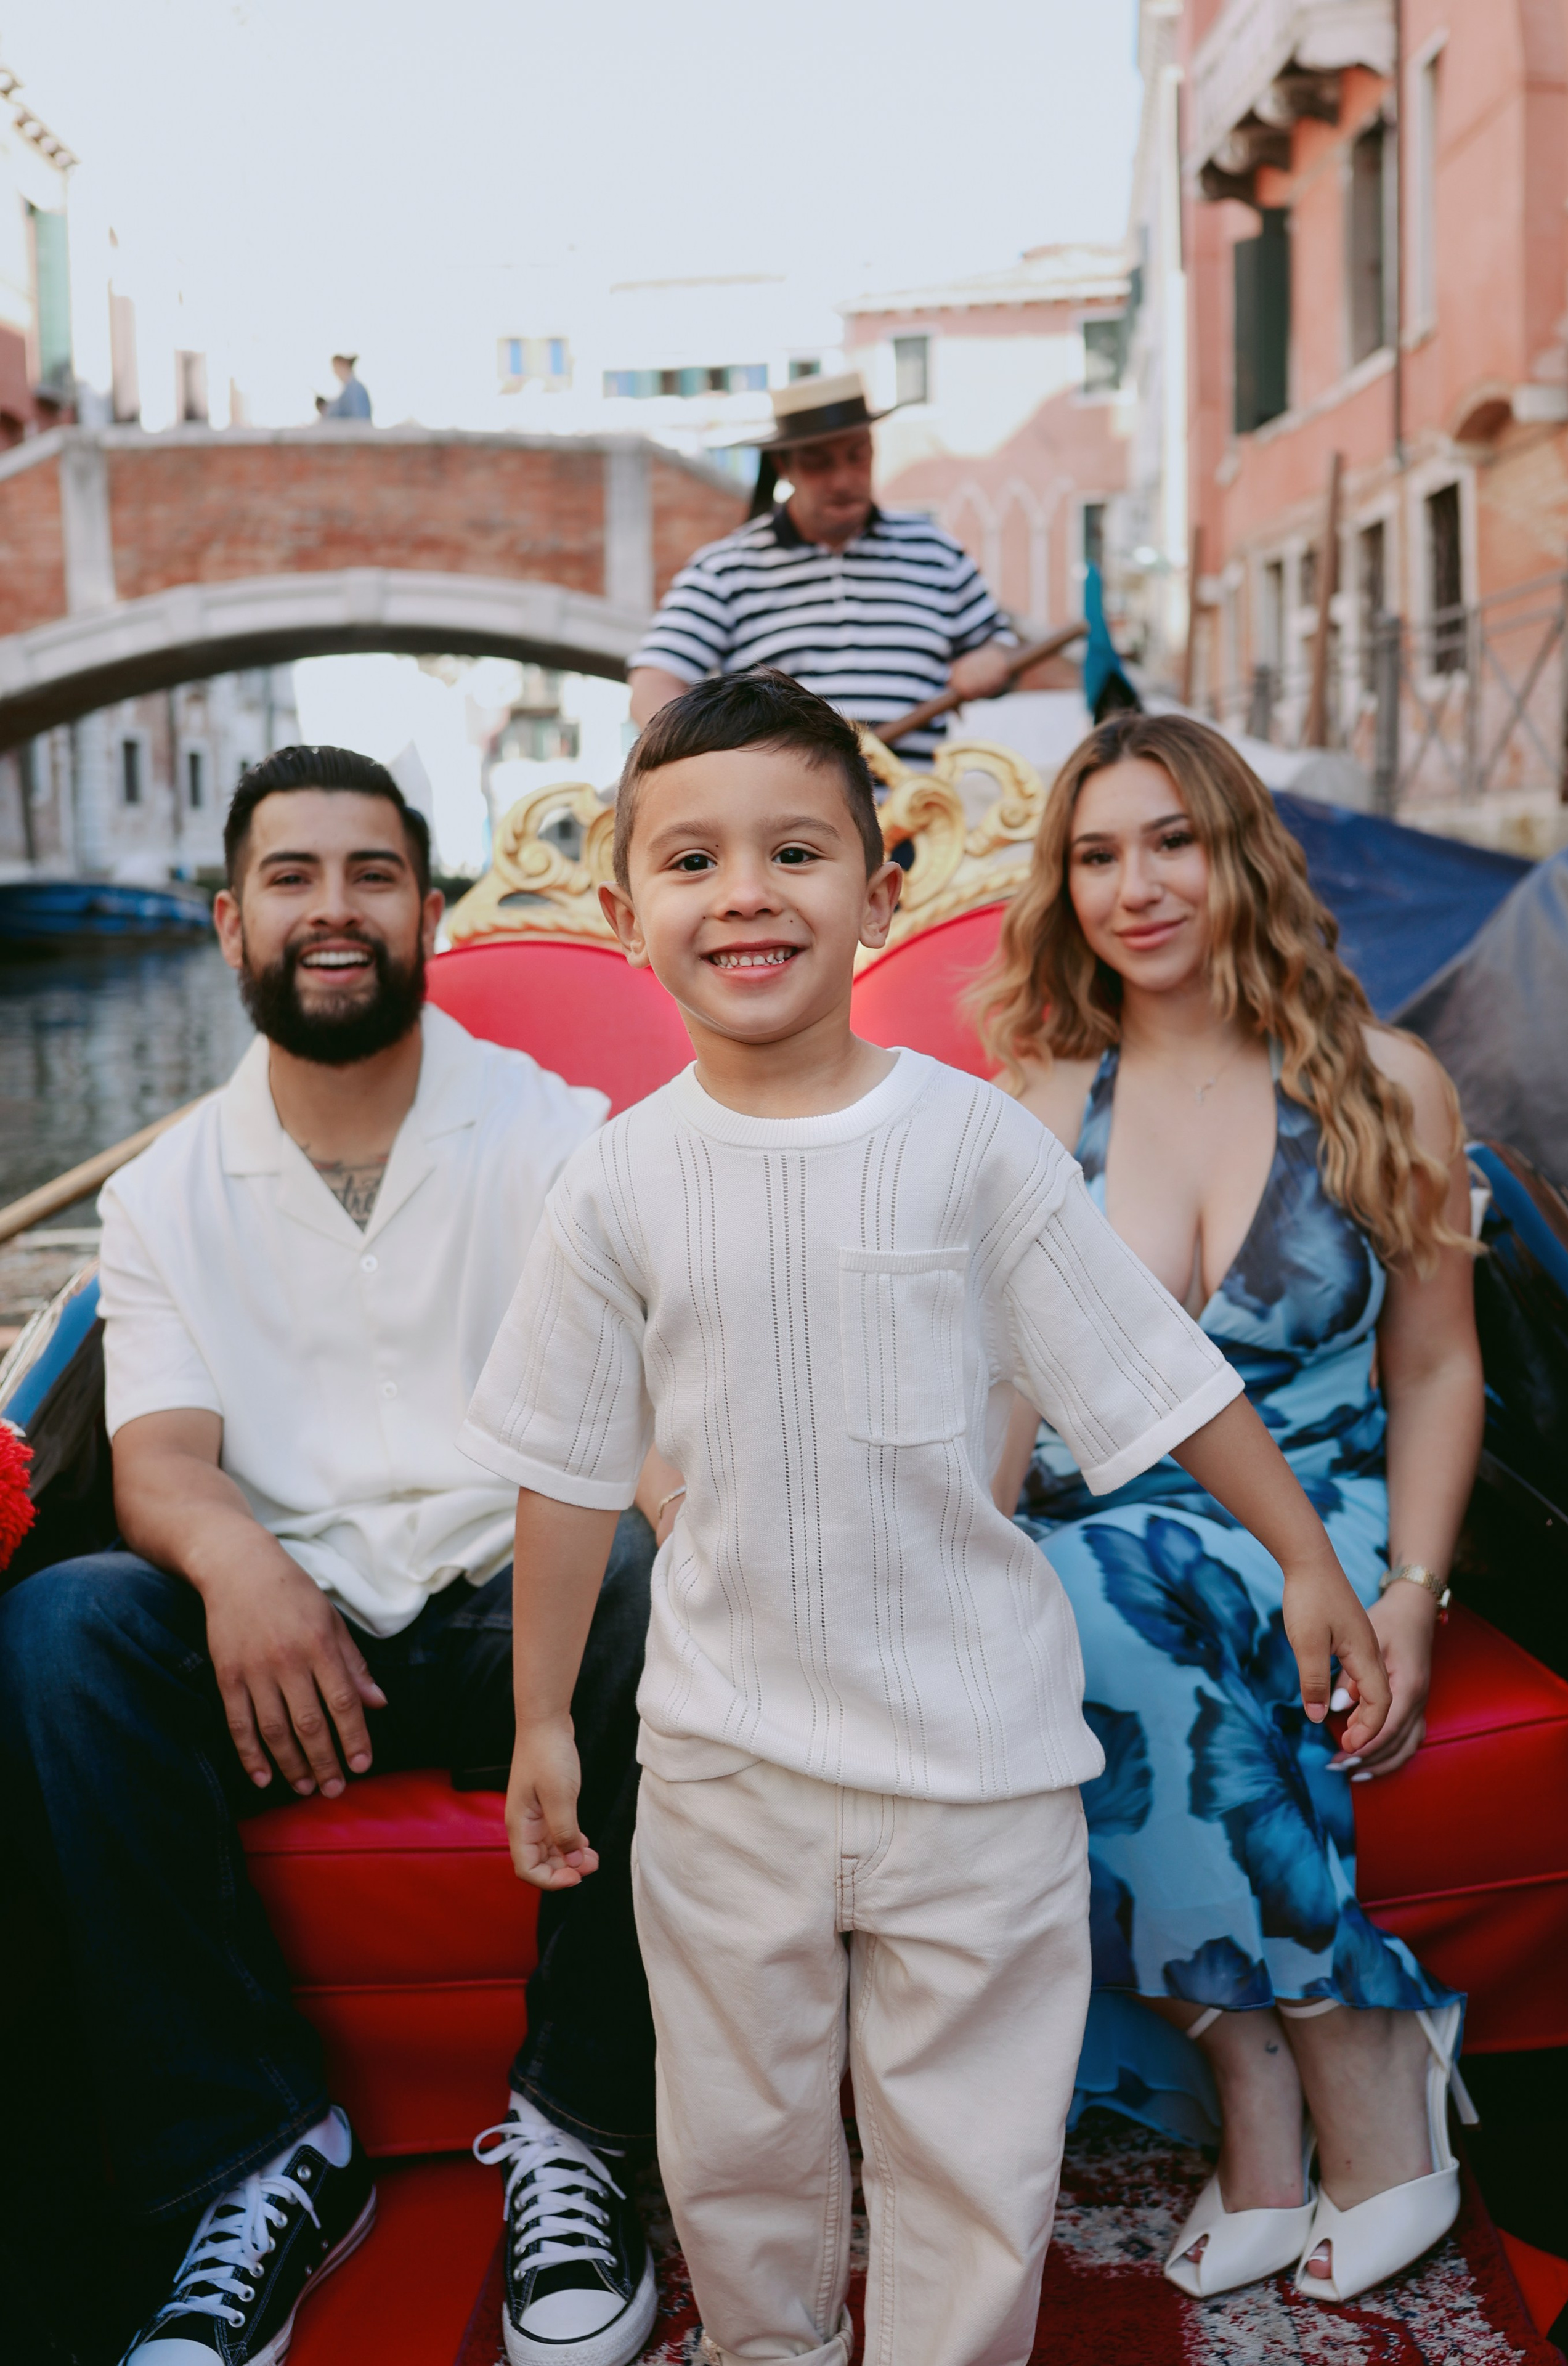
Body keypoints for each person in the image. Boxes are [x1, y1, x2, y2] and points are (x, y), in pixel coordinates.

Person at [457, 670, 1392, 2366]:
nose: (746, 891)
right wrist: (539, 1718)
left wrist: (1311, 1557)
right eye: (694, 862)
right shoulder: (612, 1185)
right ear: (625, 916)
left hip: (977, 1769)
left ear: (879, 895)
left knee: (974, 2162)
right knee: (736, 2153)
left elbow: (1151, 1371)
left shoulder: (974, 1147)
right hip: (727, 1765)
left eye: (797, 851)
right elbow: (571, 1465)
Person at [0, 747, 667, 2366]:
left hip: (524, 1610)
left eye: (370, 874)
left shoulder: (561, 1137)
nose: (333, 910)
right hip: (287, 1663)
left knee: (654, 1583)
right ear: (234, 922)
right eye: (293, 878)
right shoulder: (163, 1198)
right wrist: (238, 1570)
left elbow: (633, 1429)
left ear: (426, 913)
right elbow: (157, 1461)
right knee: (66, 1630)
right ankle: (254, 2158)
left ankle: (582, 2130)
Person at [978, 712, 1484, 2306]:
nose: (1138, 885)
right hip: (1095, 1509)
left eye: (1173, 841)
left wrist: (1409, 1589)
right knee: (1061, 1588)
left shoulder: (1383, 1080)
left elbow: (1439, 1369)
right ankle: (1304, 2045)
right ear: (1064, 886)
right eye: (1097, 853)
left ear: (1241, 854)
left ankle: (1302, 2080)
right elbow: (999, 1384)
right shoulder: (1042, 1097)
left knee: (1097, 1594)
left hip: (1315, 1506)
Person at [625, 372, 1016, 760]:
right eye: (819, 464)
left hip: (920, 808)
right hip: (788, 812)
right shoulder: (725, 569)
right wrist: (708, 758)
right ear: (784, 465)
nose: (844, 480)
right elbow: (654, 682)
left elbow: (1003, 648)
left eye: (857, 456)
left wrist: (992, 659)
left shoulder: (936, 553)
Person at [316, 352, 372, 419]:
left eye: (335, 367)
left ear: (343, 365)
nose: (335, 372)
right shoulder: (348, 389)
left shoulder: (355, 389)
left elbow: (358, 419)